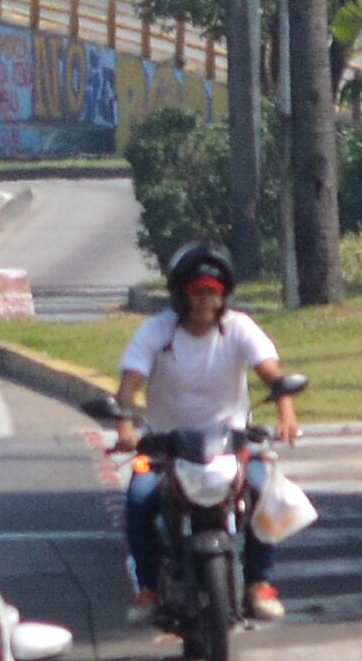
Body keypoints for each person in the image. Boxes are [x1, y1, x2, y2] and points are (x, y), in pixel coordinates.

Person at [117, 244, 300, 620]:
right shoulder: (156, 331)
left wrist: (286, 410)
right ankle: (149, 588)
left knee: (263, 487)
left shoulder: (240, 328)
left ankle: (258, 582)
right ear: (181, 293)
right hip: (165, 446)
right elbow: (128, 387)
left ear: (224, 295)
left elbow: (270, 372)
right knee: (138, 499)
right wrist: (124, 425)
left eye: (213, 292)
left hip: (230, 443)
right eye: (198, 291)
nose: (206, 300)